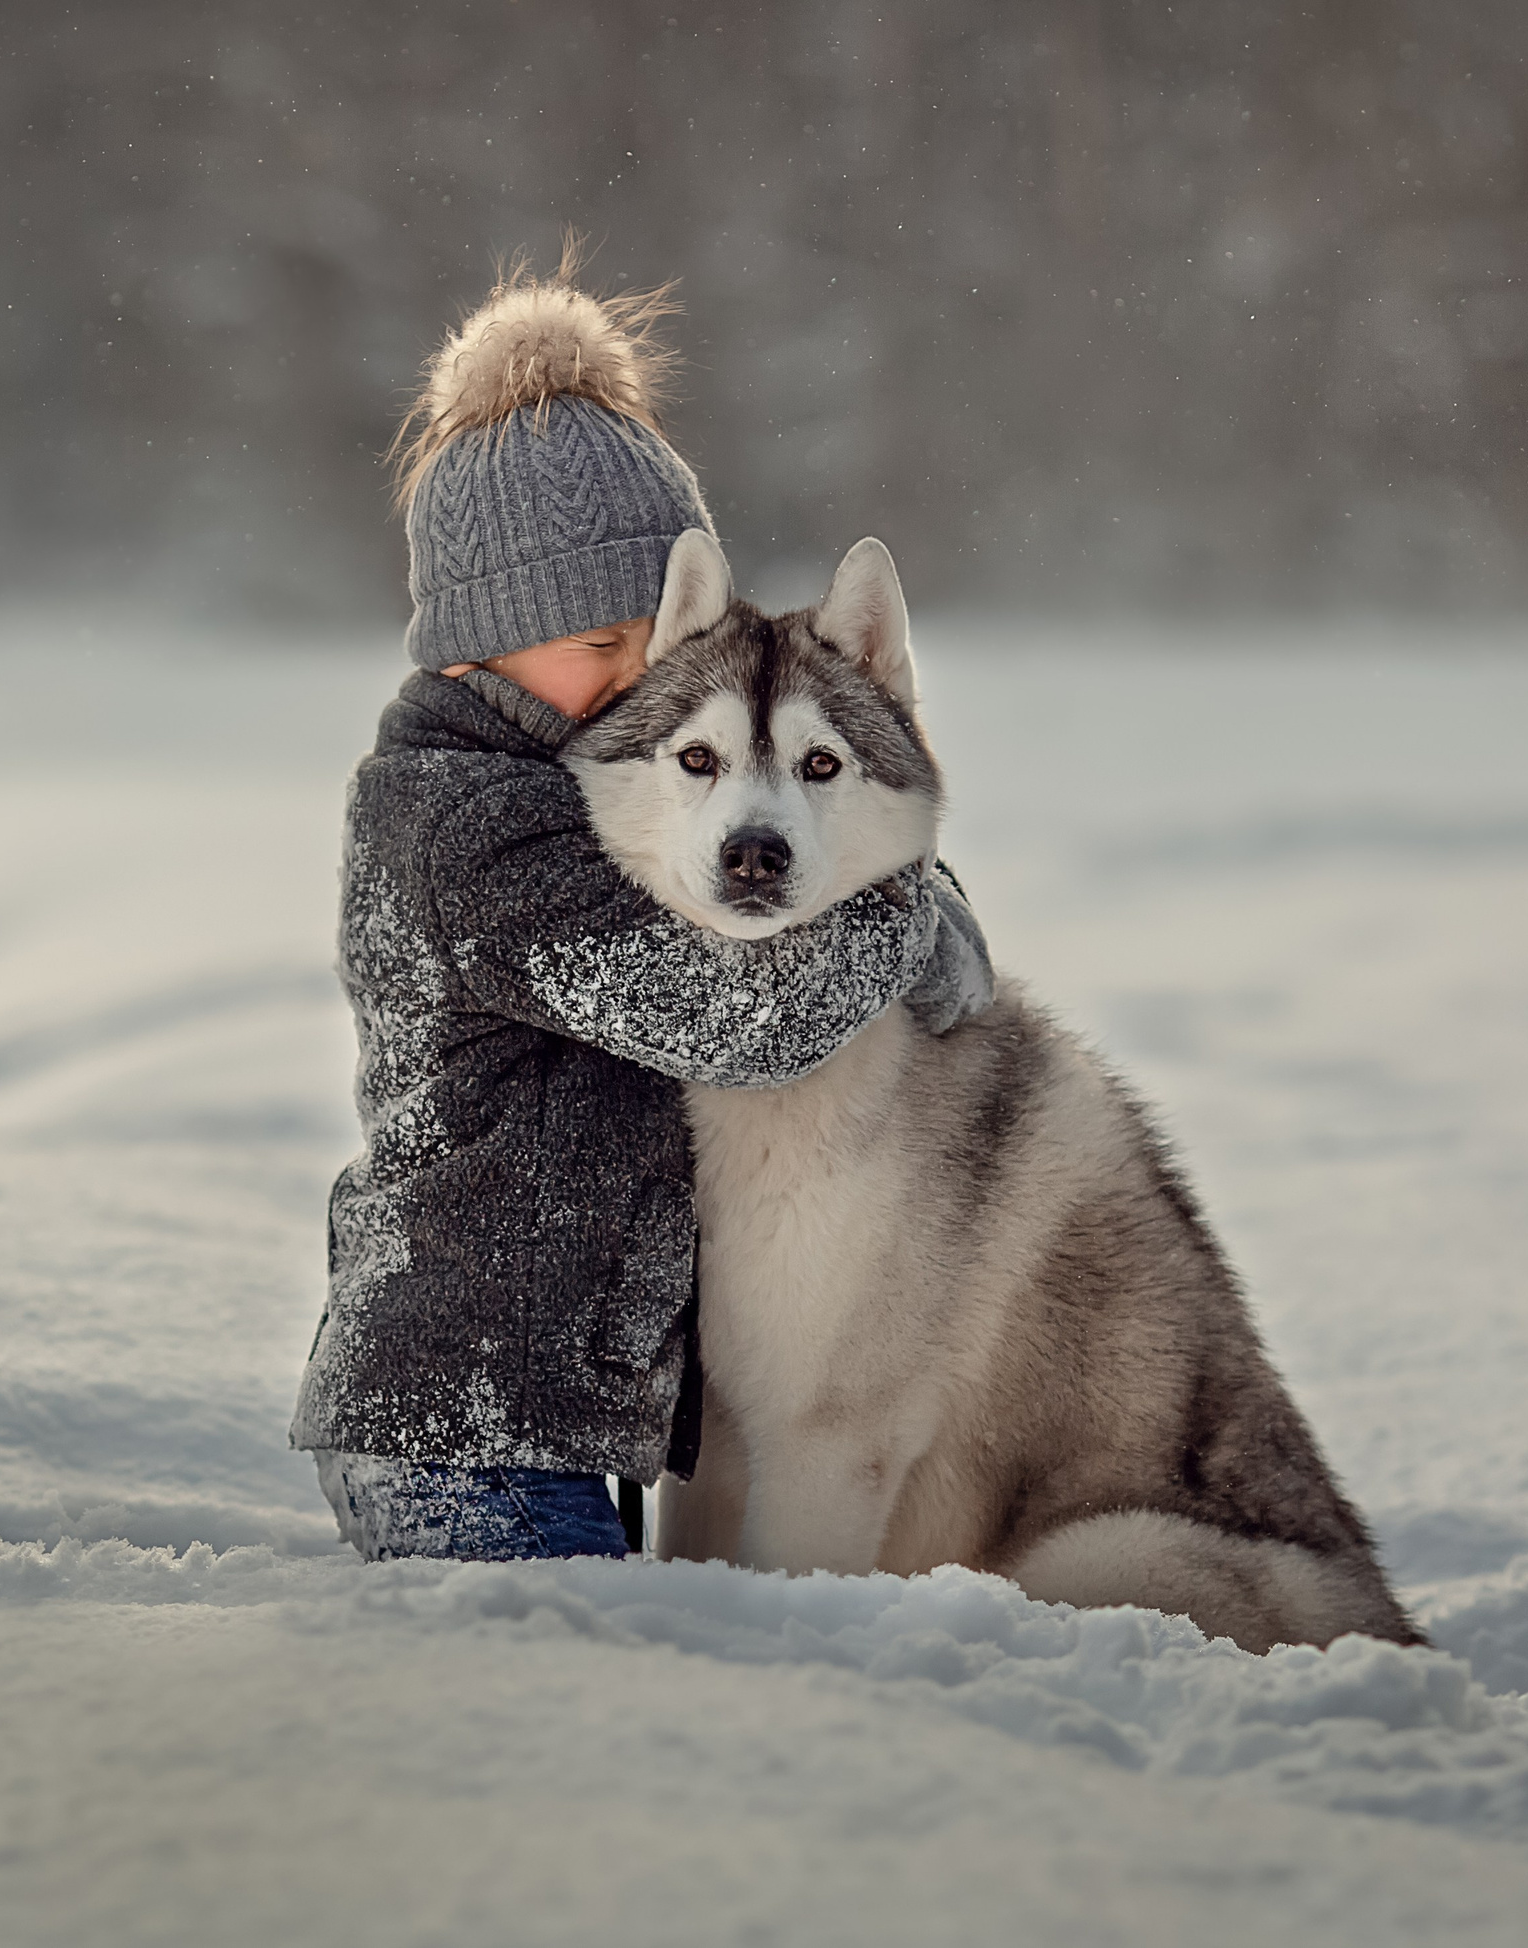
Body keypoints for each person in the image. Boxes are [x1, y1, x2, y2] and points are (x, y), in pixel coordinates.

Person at [289, 254, 991, 1562]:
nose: (639, 680)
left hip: (560, 1417)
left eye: (656, 642)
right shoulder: (467, 830)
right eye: (601, 649)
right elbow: (738, 1015)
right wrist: (897, 904)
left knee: (613, 1665)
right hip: (457, 1422)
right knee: (554, 1682)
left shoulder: (587, 791)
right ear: (476, 641)